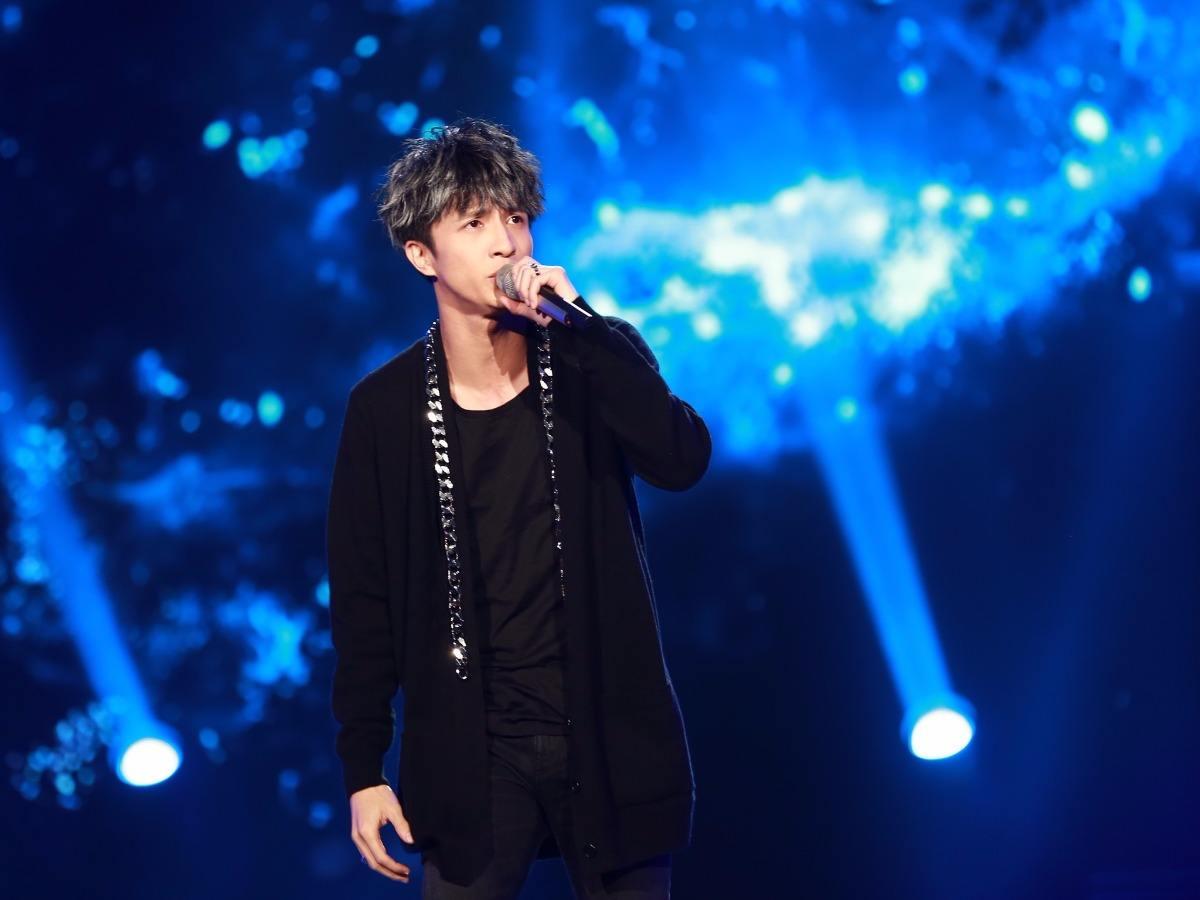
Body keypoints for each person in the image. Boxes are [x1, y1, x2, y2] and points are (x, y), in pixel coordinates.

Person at [326, 117, 711, 899]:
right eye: (475, 223)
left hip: (605, 730)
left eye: (516, 218)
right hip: (473, 748)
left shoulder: (593, 355)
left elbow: (681, 459)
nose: (507, 243)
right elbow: (364, 598)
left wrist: (586, 327)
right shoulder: (384, 411)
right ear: (423, 256)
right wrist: (363, 769)